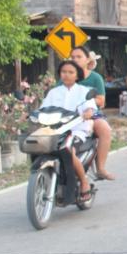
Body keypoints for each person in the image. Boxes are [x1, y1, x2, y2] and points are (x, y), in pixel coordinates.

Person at [41, 60, 98, 199]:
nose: (66, 75)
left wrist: (88, 112)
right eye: (63, 72)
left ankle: (84, 182)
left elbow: (90, 107)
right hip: (55, 130)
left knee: (68, 150)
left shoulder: (84, 91)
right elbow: (43, 109)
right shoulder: (53, 92)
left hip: (76, 131)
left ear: (77, 75)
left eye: (70, 72)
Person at [69, 46, 115, 180]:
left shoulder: (95, 78)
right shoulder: (65, 77)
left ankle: (100, 168)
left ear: (87, 60)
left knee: (105, 129)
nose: (75, 60)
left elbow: (101, 101)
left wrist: (86, 104)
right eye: (73, 57)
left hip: (92, 113)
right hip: (70, 114)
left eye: (79, 57)